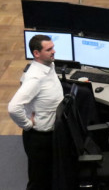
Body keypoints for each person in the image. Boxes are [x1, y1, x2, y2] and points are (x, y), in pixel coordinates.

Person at [8, 34, 64, 190]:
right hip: (39, 139)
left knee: (50, 176)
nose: (54, 51)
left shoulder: (49, 66)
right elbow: (13, 107)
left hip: (52, 134)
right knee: (39, 181)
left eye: (53, 47)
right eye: (49, 49)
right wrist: (27, 124)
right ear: (36, 53)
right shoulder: (35, 78)